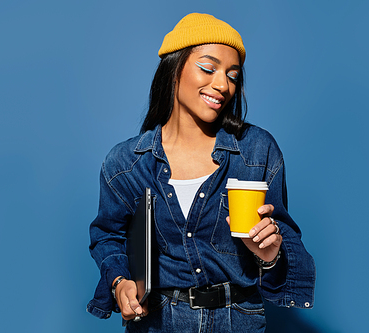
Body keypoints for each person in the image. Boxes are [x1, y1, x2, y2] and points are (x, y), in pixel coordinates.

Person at [87, 13, 315, 332]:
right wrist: (119, 283)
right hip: (158, 323)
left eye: (232, 76)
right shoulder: (126, 162)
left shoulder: (256, 150)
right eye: (208, 68)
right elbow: (107, 236)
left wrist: (272, 256)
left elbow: (283, 245)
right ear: (174, 69)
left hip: (239, 321)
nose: (222, 85)